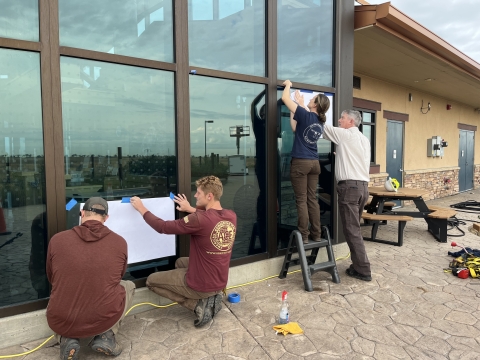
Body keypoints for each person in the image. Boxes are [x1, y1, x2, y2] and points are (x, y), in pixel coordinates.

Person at [129, 175, 237, 327]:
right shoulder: (231, 216)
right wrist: (191, 209)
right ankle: (211, 296)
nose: (195, 195)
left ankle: (197, 305)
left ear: (209, 196)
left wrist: (141, 208)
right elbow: (207, 219)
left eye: (198, 193)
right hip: (220, 280)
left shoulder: (199, 219)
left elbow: (163, 227)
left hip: (202, 283)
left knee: (151, 281)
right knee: (180, 262)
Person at [46, 197, 135, 360]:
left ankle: (66, 338)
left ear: (82, 214)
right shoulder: (120, 242)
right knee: (128, 285)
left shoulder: (57, 240)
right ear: (106, 218)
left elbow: (51, 277)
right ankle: (106, 336)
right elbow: (118, 278)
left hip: (62, 317)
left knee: (60, 289)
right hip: (102, 317)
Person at [322, 110, 372, 281]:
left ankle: (363, 269)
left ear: (350, 121)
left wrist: (302, 107)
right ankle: (358, 264)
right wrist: (340, 155)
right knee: (354, 229)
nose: (339, 120)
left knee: (352, 230)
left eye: (342, 118)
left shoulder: (344, 135)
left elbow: (319, 127)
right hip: (363, 188)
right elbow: (357, 159)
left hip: (350, 188)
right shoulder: (364, 140)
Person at [281, 79, 330, 244]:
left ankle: (303, 236)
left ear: (316, 104)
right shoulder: (320, 121)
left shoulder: (307, 115)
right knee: (311, 199)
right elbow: (295, 127)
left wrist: (288, 85)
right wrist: (297, 106)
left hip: (301, 163)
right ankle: (316, 234)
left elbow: (284, 99)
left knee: (301, 200)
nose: (310, 99)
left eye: (312, 99)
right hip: (314, 163)